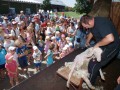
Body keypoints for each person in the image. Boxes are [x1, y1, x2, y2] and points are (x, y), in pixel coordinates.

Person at [80, 15, 120, 88]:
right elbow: (92, 32)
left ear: (89, 22)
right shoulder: (92, 23)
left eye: (85, 26)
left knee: (93, 64)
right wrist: (87, 41)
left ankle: (90, 84)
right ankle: (96, 72)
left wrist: (97, 44)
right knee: (93, 58)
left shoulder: (101, 23)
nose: (85, 28)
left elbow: (110, 39)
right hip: (103, 44)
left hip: (111, 47)